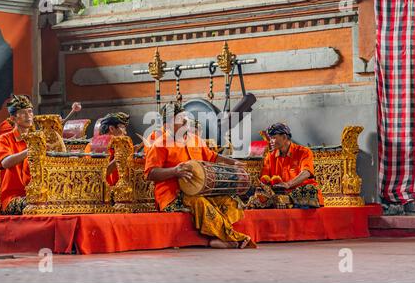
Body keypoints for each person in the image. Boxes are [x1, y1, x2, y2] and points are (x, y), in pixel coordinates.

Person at [144, 102, 256, 249]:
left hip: (201, 190)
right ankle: (232, 238)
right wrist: (174, 171)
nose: (186, 122)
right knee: (200, 203)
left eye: (186, 118)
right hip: (172, 196)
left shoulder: (195, 139)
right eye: (180, 119)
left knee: (231, 202)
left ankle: (216, 237)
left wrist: (233, 163)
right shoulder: (160, 143)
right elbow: (150, 173)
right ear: (169, 123)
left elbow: (213, 157)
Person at [261, 123, 324, 208]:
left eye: (273, 138)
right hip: (281, 196)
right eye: (270, 138)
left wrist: (288, 184)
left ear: (284, 137)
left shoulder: (303, 152)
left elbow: (306, 173)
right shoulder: (270, 156)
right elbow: (264, 179)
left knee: (309, 189)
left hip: (303, 196)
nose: (270, 141)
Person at [0, 95, 34, 215]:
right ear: (13, 118)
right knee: (33, 205)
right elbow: (5, 162)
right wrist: (30, 150)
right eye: (23, 113)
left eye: (30, 111)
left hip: (35, 194)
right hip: (11, 198)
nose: (28, 116)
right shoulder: (4, 139)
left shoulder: (36, 139)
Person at [85, 112, 130, 186]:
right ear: (111, 128)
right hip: (102, 192)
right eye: (122, 127)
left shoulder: (119, 147)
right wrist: (119, 158)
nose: (125, 132)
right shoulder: (93, 147)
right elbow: (95, 175)